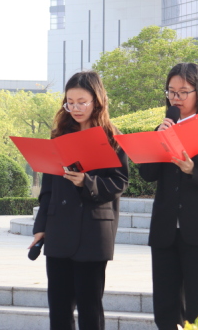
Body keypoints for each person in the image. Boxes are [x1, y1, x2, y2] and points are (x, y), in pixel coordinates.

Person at [138, 63, 198, 329]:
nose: (176, 98)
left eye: (183, 92)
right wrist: (157, 140)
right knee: (165, 309)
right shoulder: (161, 129)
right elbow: (147, 174)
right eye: (171, 92)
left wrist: (195, 170)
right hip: (165, 230)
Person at [29, 70, 129, 330]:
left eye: (81, 102)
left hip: (93, 232)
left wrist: (87, 182)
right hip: (59, 230)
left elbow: (119, 183)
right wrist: (41, 226)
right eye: (70, 102)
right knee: (59, 309)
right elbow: (48, 189)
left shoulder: (112, 137)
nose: (75, 108)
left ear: (97, 100)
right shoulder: (59, 136)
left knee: (89, 309)